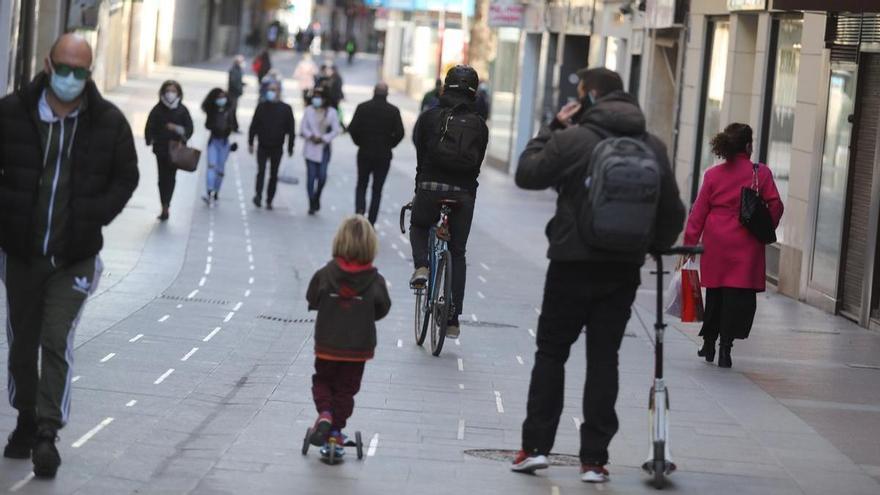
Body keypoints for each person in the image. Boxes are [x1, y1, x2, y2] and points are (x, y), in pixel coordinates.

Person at [511, 67, 685, 483]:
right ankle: (595, 460)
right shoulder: (653, 146)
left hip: (571, 264)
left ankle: (535, 448)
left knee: (552, 352)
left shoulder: (574, 139)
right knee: (604, 358)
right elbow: (673, 212)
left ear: (587, 96)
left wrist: (552, 127)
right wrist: (650, 245)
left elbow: (527, 173)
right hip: (622, 269)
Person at [0, 33, 138, 479]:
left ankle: (47, 432)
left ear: (90, 72)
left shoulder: (108, 123)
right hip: (21, 254)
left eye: (80, 71)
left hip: (74, 258)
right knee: (22, 342)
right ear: (47, 64)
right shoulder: (12, 113)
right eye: (64, 68)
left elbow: (127, 177)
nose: (70, 78)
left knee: (55, 338)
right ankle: (24, 416)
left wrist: (94, 215)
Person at [684, 123, 783, 368]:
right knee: (736, 296)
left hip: (716, 240)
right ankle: (725, 350)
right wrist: (764, 225)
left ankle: (708, 343)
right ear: (748, 146)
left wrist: (689, 243)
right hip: (745, 242)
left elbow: (698, 212)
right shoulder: (761, 173)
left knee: (715, 292)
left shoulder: (713, 175)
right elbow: (776, 205)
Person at [409, 65, 489, 339]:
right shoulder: (479, 125)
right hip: (463, 194)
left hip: (430, 187)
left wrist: (420, 185)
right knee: (458, 251)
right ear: (473, 93)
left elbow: (420, 152)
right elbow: (477, 164)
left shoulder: (430, 117)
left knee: (419, 225)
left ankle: (421, 265)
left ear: (446, 87)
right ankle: (453, 319)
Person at [306, 215, 391, 457]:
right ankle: (336, 431)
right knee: (346, 389)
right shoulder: (375, 280)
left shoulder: (326, 273)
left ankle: (324, 414)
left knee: (322, 380)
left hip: (328, 344)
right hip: (358, 348)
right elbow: (383, 306)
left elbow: (312, 296)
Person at [348, 83, 405, 224]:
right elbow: (400, 133)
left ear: (373, 92)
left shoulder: (363, 108)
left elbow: (353, 128)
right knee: (377, 189)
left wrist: (359, 142)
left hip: (365, 152)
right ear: (387, 94)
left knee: (361, 184)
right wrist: (390, 144)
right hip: (383, 155)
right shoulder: (393, 111)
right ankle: (371, 221)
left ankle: (359, 215)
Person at [145, 80, 194, 221]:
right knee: (162, 178)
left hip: (176, 150)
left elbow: (189, 129)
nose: (170, 94)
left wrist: (177, 129)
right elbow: (150, 126)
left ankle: (167, 205)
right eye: (168, 90)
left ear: (178, 93)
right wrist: (150, 139)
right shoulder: (157, 109)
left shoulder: (182, 110)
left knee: (171, 178)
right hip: (160, 149)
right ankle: (163, 205)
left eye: (173, 91)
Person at [249, 80, 295, 210]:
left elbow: (291, 129)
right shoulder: (261, 107)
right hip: (262, 145)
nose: (271, 92)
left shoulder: (286, 109)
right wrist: (251, 142)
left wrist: (291, 146)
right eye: (269, 89)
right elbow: (254, 125)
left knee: (273, 175)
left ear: (279, 92)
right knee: (261, 171)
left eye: (274, 90)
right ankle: (258, 195)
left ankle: (270, 198)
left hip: (277, 147)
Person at [301, 86, 342, 214]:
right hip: (310, 147)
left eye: (319, 96)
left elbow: (336, 130)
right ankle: (311, 202)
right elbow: (303, 128)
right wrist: (311, 136)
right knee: (311, 177)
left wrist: (324, 138)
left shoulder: (331, 112)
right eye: (315, 96)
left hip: (324, 148)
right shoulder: (308, 110)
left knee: (322, 176)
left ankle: (317, 196)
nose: (316, 99)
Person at [201, 88, 237, 203]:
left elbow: (235, 126)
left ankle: (216, 191)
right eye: (219, 97)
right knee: (211, 166)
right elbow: (207, 125)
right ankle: (209, 190)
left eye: (223, 97)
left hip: (225, 143)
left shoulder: (230, 111)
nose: (221, 99)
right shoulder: (211, 110)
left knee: (220, 169)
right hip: (213, 141)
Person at [227, 55, 245, 133]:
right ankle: (231, 126)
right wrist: (239, 87)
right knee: (231, 110)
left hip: (235, 94)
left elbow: (237, 81)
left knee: (233, 110)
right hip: (233, 93)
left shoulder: (238, 70)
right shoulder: (234, 70)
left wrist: (241, 84)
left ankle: (234, 127)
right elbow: (233, 82)